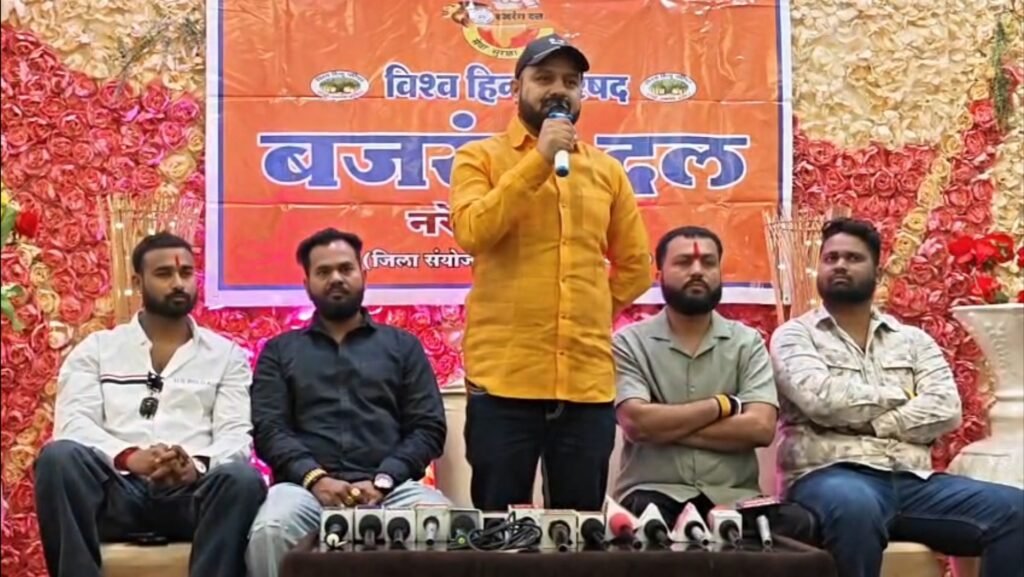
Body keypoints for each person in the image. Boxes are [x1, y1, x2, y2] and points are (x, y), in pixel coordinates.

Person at [449, 33, 652, 512]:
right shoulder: (479, 158)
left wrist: (589, 309)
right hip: (504, 383)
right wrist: (540, 159)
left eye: (570, 81)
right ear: (516, 87)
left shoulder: (607, 171)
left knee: (578, 530)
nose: (559, 89)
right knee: (501, 530)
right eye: (544, 78)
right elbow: (472, 230)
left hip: (586, 384)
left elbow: (637, 267)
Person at [770, 218, 1024, 577]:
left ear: (877, 271)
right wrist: (904, 395)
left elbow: (946, 408)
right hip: (829, 476)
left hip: (913, 481)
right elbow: (820, 398)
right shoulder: (794, 336)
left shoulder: (912, 340)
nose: (840, 265)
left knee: (1016, 510)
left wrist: (876, 423)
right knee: (854, 507)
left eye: (853, 258)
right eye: (831, 258)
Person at [35, 232, 266, 577]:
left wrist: (195, 467)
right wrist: (130, 457)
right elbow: (74, 425)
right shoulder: (97, 349)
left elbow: (236, 435)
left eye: (186, 273)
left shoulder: (226, 356)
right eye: (164, 274)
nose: (178, 283)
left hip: (190, 497)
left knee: (243, 478)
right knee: (58, 457)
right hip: (116, 494)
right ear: (137, 282)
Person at [246, 228, 449, 577]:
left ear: (363, 274)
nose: (336, 278)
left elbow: (428, 428)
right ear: (307, 283)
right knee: (271, 530)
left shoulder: (402, 347)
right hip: (304, 490)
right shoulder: (280, 351)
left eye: (345, 268)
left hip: (392, 488)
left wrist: (385, 479)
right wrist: (316, 479)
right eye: (323, 272)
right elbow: (269, 429)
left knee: (441, 523)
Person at [612, 227, 777, 523]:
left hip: (734, 496)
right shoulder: (629, 342)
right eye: (684, 262)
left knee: (796, 525)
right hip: (652, 493)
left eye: (708, 263)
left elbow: (760, 428)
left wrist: (664, 428)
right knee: (647, 526)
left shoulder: (748, 342)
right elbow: (636, 423)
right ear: (659, 275)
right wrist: (721, 406)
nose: (698, 270)